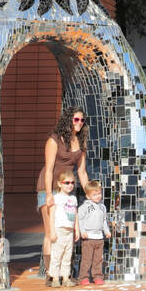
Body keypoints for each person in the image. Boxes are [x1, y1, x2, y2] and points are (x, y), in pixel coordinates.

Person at [37, 107, 91, 263]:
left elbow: (82, 173)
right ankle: (50, 274)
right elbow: (48, 170)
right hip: (50, 187)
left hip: (67, 190)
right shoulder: (54, 140)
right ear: (68, 120)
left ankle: (64, 272)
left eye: (82, 120)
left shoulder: (81, 142)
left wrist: (89, 194)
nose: (79, 123)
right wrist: (48, 194)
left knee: (67, 231)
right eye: (76, 119)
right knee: (51, 232)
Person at [47, 171, 80, 287]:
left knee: (67, 255)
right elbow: (51, 215)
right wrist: (52, 231)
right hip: (59, 229)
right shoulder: (56, 198)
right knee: (57, 255)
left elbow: (75, 214)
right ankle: (55, 278)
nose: (70, 185)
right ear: (60, 184)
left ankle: (66, 278)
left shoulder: (74, 199)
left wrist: (77, 229)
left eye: (72, 183)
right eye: (66, 182)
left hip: (69, 231)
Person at [78, 180, 112, 286]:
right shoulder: (85, 207)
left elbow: (104, 221)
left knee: (98, 259)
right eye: (94, 194)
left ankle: (97, 276)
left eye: (99, 193)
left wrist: (106, 231)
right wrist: (82, 231)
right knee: (87, 259)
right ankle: (83, 277)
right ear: (88, 196)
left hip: (99, 238)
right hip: (88, 237)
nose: (98, 196)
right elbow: (80, 219)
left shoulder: (102, 207)